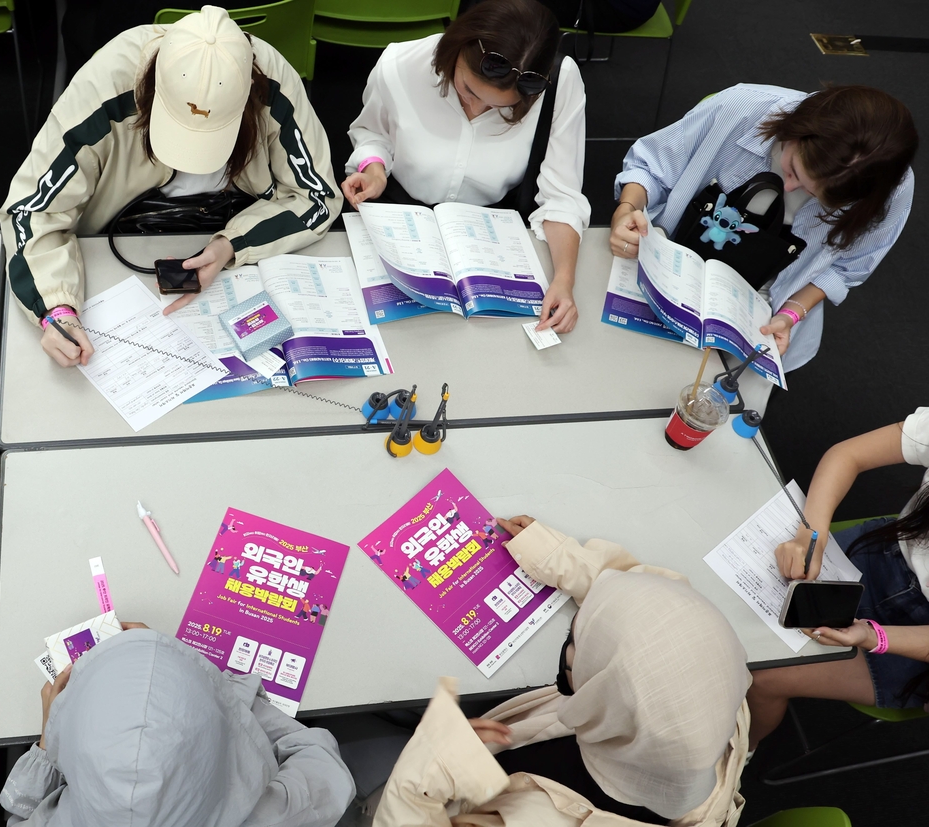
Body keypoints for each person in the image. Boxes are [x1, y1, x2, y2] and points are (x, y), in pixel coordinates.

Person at [0, 6, 339, 369]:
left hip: (235, 234)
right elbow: (32, 208)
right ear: (150, 89)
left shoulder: (272, 82)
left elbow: (317, 196)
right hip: (115, 240)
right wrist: (57, 308)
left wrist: (232, 244)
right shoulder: (106, 84)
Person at [373, 516, 751, 827]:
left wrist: (427, 768)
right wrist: (562, 560)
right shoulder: (709, 700)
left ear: (608, 695)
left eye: (575, 641)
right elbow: (665, 612)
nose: (573, 640)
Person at [612, 84, 916, 371]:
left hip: (761, 312)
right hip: (668, 269)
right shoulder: (740, 107)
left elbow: (846, 268)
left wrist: (791, 313)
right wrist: (628, 209)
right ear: (796, 130)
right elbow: (649, 167)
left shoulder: (891, 189)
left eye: (813, 194)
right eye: (793, 169)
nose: (789, 186)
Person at [342, 0, 590, 333]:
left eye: (500, 107)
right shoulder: (400, 64)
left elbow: (562, 197)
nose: (477, 108)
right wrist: (373, 168)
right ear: (457, 49)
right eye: (469, 90)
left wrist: (563, 281)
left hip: (489, 233)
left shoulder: (561, 81)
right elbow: (372, 132)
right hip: (402, 217)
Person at [0, 625, 355, 826]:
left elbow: (18, 814)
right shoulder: (275, 816)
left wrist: (47, 747)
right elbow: (318, 756)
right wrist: (221, 700)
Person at [747, 408, 929, 745]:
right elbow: (848, 454)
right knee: (738, 588)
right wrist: (811, 537)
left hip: (912, 647)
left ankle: (737, 753)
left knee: (763, 677)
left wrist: (872, 637)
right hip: (884, 553)